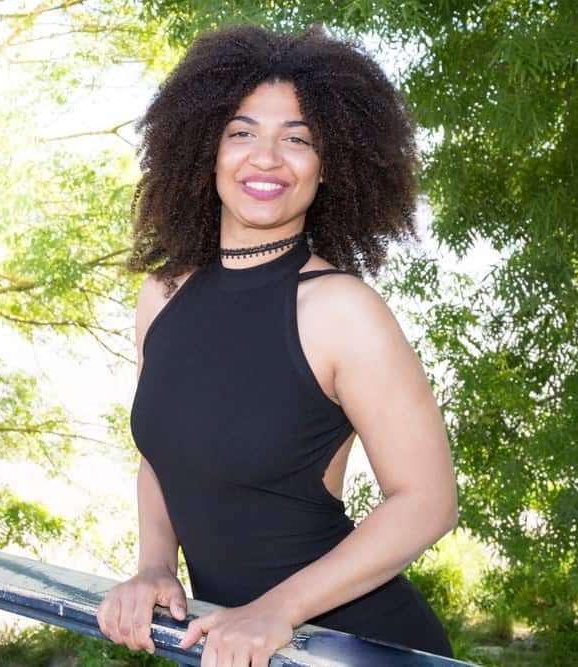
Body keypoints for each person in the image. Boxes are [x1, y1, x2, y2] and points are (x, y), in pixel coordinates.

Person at [96, 24, 458, 665]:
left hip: (350, 645)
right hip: (232, 642)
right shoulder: (164, 292)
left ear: (332, 166)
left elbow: (427, 502)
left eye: (298, 139)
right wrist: (155, 566)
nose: (266, 158)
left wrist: (276, 611)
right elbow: (165, 451)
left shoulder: (340, 308)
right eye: (242, 133)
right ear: (204, 149)